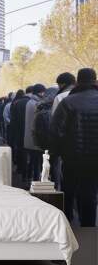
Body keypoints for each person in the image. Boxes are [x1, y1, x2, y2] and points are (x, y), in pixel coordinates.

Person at [50, 68, 98, 226]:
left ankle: (68, 222)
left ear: (78, 81)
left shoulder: (68, 102)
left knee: (68, 189)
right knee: (90, 192)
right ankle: (89, 227)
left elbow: (56, 132)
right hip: (94, 159)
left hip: (72, 157)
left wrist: (54, 155)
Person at [32, 87, 60, 187]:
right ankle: (56, 189)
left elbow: (35, 131)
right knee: (55, 168)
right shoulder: (58, 111)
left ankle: (43, 188)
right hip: (55, 146)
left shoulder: (39, 111)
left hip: (42, 145)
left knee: (43, 169)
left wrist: (38, 144)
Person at [24, 84, 46, 182]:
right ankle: (36, 181)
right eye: (43, 92)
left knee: (33, 161)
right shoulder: (37, 104)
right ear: (40, 92)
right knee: (37, 162)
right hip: (35, 138)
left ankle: (29, 178)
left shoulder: (30, 102)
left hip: (29, 137)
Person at [10, 86, 33, 182]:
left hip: (19, 132)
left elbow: (13, 120)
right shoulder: (33, 103)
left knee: (21, 152)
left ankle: (22, 171)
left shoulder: (16, 103)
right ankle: (29, 174)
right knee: (32, 155)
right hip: (31, 132)